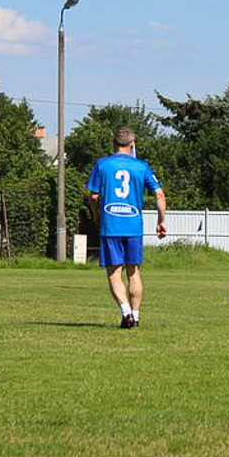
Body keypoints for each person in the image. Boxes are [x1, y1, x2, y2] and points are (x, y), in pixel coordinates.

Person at [86, 127, 167, 329]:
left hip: (111, 226)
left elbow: (94, 196)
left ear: (114, 144)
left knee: (115, 274)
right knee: (134, 273)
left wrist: (97, 212)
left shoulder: (102, 165)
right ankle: (136, 316)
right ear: (133, 145)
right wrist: (161, 221)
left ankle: (126, 312)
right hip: (133, 227)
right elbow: (159, 195)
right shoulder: (142, 167)